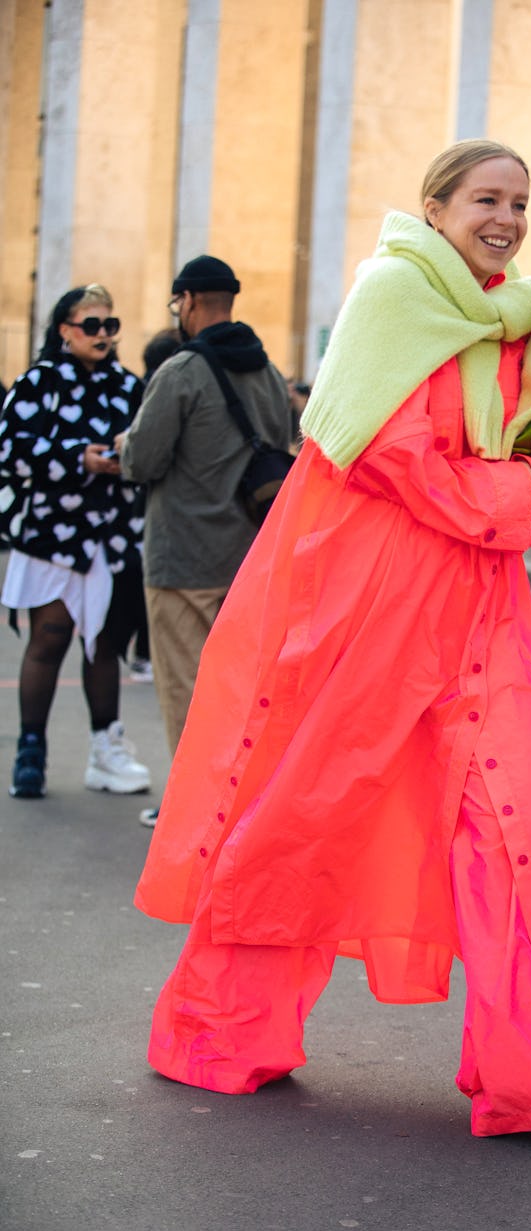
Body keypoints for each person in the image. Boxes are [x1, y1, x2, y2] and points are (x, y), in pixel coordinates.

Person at [134, 140, 531, 1152]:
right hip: (365, 608)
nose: (505, 217)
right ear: (435, 207)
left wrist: (509, 500)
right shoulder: (392, 298)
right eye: (485, 199)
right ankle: (218, 1028)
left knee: (511, 832)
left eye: (520, 200)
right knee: (303, 814)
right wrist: (515, 499)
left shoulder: (529, 319)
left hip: (481, 611)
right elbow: (395, 458)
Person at [115, 257, 292, 826]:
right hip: (248, 558)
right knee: (241, 690)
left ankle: (194, 813)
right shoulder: (266, 372)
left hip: (182, 557)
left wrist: (119, 450)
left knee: (187, 692)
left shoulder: (181, 371)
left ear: (187, 301)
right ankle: (239, 804)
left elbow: (141, 459)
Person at [0, 284, 151, 798]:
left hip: (109, 536)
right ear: (65, 330)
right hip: (51, 534)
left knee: (104, 644)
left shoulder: (128, 387)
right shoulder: (37, 383)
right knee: (50, 637)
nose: (104, 335)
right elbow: (11, 452)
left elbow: (149, 447)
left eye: (110, 325)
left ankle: (105, 750)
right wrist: (76, 458)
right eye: (92, 325)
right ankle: (31, 750)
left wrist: (121, 458)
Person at [127, 329, 185, 685]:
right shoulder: (169, 384)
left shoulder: (147, 388)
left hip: (143, 515)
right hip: (162, 519)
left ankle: (142, 654)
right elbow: (145, 458)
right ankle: (144, 655)